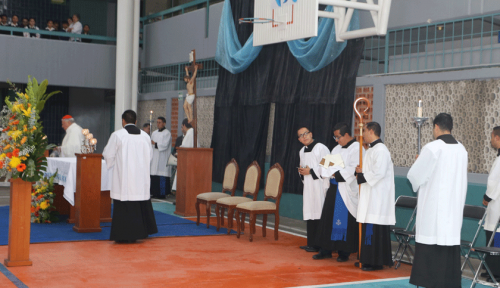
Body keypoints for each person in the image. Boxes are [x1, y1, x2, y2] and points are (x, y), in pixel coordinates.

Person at [407, 113, 468, 288]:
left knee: (431, 254)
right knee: (448, 252)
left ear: (435, 127)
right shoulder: (462, 150)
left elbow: (415, 176)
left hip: (433, 213)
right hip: (453, 211)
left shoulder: (433, 148)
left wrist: (418, 163)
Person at [102, 110, 158, 243]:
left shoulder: (118, 135)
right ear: (136, 121)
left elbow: (108, 155)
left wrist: (113, 164)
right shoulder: (145, 136)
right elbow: (150, 156)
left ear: (123, 121)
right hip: (140, 179)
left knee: (124, 203)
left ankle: (123, 235)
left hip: (125, 179)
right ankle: (141, 233)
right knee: (139, 202)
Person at [313, 122, 363, 261]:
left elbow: (354, 168)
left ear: (346, 134)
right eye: (334, 137)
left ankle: (343, 252)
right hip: (334, 188)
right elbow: (324, 165)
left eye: (338, 137)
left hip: (345, 190)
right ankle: (326, 249)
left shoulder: (357, 149)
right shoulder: (335, 149)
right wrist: (327, 171)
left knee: (343, 220)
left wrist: (336, 173)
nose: (336, 140)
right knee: (328, 218)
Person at [355, 121, 395, 271]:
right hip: (370, 194)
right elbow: (370, 170)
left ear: (371, 131)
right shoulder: (371, 150)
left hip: (378, 197)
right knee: (368, 226)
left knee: (374, 228)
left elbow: (379, 172)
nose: (363, 135)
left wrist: (362, 176)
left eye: (364, 131)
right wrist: (360, 171)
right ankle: (366, 258)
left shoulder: (381, 150)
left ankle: (376, 261)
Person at [297, 126, 330, 253]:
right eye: (301, 135)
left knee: (320, 213)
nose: (304, 136)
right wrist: (302, 171)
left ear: (311, 134)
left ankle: (321, 245)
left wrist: (310, 171)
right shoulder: (301, 151)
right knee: (311, 213)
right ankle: (312, 243)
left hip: (320, 186)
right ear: (299, 139)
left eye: (305, 133)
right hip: (309, 186)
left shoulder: (321, 148)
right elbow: (302, 167)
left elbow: (328, 167)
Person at [482, 126, 500, 282]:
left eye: (492, 137)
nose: (490, 140)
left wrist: (486, 197)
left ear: (498, 138)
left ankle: (495, 272)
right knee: (493, 237)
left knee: (495, 238)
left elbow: (493, 182)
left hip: (497, 205)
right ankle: (491, 269)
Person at [150, 117, 172, 199]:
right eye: (157, 122)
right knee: (154, 176)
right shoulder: (154, 133)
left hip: (162, 158)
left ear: (164, 123)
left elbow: (165, 145)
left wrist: (155, 144)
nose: (158, 124)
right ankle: (154, 193)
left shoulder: (167, 133)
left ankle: (162, 194)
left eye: (160, 122)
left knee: (161, 175)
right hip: (155, 157)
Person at [171, 119, 194, 192]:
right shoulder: (192, 132)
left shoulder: (190, 133)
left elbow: (184, 147)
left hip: (186, 161)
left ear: (184, 125)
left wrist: (179, 151)